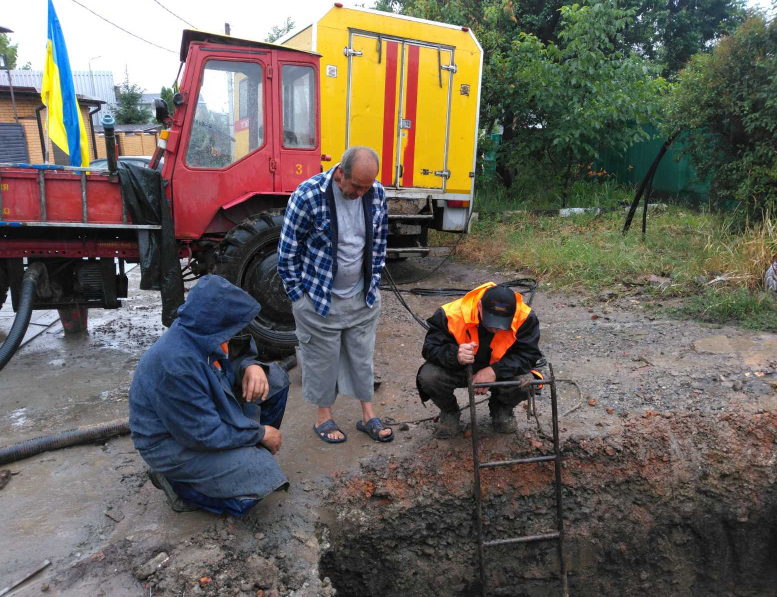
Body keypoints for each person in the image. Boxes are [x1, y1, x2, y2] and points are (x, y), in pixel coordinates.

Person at [129, 275, 290, 515]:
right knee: (262, 479)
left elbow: (236, 353)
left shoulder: (201, 330)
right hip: (174, 444)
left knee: (273, 379)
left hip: (203, 420)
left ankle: (244, 456)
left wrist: (251, 366)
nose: (233, 333)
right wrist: (260, 433)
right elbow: (203, 434)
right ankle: (179, 485)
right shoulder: (175, 364)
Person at [277, 146, 393, 444]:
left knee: (361, 357)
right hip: (318, 299)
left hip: (361, 297)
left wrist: (374, 283)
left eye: (366, 187)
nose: (360, 193)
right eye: (356, 186)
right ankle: (323, 418)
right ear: (340, 173)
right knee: (322, 359)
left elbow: (378, 242)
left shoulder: (375, 193)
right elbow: (287, 253)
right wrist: (299, 298)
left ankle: (368, 416)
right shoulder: (308, 195)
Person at [417, 282, 544, 438]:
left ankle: (501, 409)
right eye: (490, 322)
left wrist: (495, 371)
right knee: (429, 376)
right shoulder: (451, 314)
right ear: (479, 306)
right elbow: (429, 348)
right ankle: (449, 412)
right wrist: (455, 355)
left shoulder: (525, 318)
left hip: (500, 373)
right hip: (459, 369)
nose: (496, 329)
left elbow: (529, 355)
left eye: (502, 324)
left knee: (526, 381)